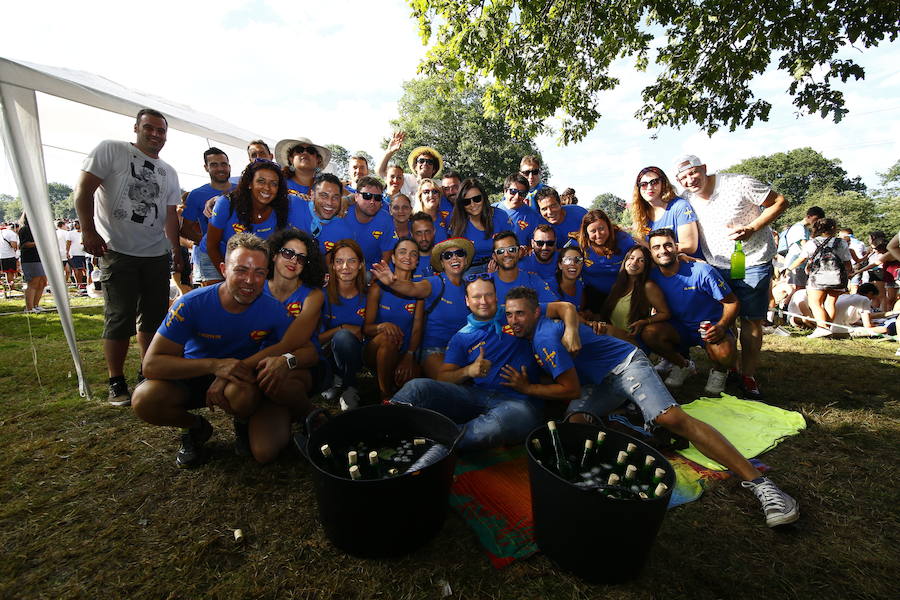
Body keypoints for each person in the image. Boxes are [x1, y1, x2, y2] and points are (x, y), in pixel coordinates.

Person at [502, 286, 800, 528]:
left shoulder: (544, 337)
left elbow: (570, 389)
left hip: (626, 365)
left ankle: (764, 486)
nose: (514, 320)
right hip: (600, 381)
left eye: (520, 315)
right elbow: (564, 307)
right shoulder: (533, 317)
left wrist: (527, 388)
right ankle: (619, 466)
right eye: (510, 314)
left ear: (535, 312)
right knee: (575, 427)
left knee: (673, 418)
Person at [131, 233, 313, 467]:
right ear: (223, 268)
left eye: (259, 272)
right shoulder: (190, 303)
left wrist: (284, 360)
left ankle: (243, 421)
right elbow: (151, 365)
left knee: (244, 396)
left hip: (237, 380)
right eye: (241, 270)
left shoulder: (273, 309)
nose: (250, 280)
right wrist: (215, 365)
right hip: (190, 376)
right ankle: (194, 428)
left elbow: (306, 350)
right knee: (144, 399)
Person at [389, 276, 581, 451]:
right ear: (467, 301)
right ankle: (384, 423)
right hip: (476, 396)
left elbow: (563, 306)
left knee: (490, 428)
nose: (483, 301)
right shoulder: (462, 337)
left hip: (520, 401)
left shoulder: (516, 313)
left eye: (488, 295)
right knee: (418, 387)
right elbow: (443, 377)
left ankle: (432, 446)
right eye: (477, 296)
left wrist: (571, 331)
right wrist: (468, 371)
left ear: (497, 297)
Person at [74, 108, 184, 406]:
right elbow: (83, 191)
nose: (155, 134)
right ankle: (115, 380)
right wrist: (88, 230)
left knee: (153, 317)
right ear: (136, 127)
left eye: (161, 130)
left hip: (156, 254)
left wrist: (175, 249)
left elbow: (171, 215)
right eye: (149, 128)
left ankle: (146, 370)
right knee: (119, 317)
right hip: (116, 250)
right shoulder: (112, 150)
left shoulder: (169, 171)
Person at [674, 154, 787, 399]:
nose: (689, 180)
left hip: (753, 260)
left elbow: (779, 201)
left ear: (704, 168)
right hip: (715, 264)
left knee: (751, 319)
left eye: (692, 172)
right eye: (682, 177)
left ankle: (748, 375)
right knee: (725, 318)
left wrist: (753, 228)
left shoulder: (739, 183)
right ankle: (730, 367)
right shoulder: (686, 198)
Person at [647, 228, 740, 395]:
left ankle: (720, 371)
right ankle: (683, 365)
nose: (663, 250)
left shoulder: (701, 271)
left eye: (668, 245)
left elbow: (732, 302)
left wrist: (722, 326)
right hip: (678, 327)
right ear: (651, 252)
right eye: (656, 247)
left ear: (676, 247)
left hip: (709, 326)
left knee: (725, 353)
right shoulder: (651, 276)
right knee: (649, 333)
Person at [370, 238, 474, 379]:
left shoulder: (472, 288)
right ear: (442, 263)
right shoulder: (435, 283)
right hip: (436, 351)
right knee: (450, 381)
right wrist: (393, 282)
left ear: (466, 260)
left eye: (459, 253)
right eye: (448, 256)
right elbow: (413, 288)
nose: (454, 258)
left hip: (465, 349)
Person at [363, 238, 424, 401]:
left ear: (417, 262)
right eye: (402, 252)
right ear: (394, 258)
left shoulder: (418, 290)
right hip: (375, 349)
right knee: (387, 337)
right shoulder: (378, 288)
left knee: (412, 380)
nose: (408, 257)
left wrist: (409, 356)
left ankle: (396, 393)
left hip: (403, 351)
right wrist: (382, 326)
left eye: (413, 254)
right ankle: (385, 395)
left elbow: (418, 327)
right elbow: (366, 328)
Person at [594, 245, 680, 358]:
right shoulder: (618, 285)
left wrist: (645, 322)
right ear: (626, 260)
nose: (634, 263)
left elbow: (665, 313)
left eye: (641, 260)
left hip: (632, 341)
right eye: (632, 258)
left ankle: (681, 363)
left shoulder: (648, 287)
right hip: (614, 337)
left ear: (646, 266)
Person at [206, 159, 291, 271]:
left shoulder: (281, 209)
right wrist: (227, 275)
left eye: (274, 184)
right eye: (261, 181)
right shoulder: (226, 204)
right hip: (215, 258)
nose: (267, 188)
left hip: (251, 266)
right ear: (250, 183)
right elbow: (212, 245)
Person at [320, 240, 369, 411]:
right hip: (330, 352)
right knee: (341, 337)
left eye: (352, 261)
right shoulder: (321, 295)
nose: (345, 267)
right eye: (339, 261)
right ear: (332, 265)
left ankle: (350, 388)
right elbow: (314, 339)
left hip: (362, 353)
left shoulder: (371, 293)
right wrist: (343, 328)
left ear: (361, 264)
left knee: (345, 340)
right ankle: (336, 376)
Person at [786, 218, 852, 338]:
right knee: (830, 303)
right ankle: (827, 329)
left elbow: (802, 258)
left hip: (818, 277)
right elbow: (847, 261)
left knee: (815, 302)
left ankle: (822, 328)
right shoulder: (841, 242)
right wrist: (849, 273)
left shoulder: (812, 242)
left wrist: (789, 269)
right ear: (833, 228)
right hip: (837, 277)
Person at [181, 147, 235, 286]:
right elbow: (185, 229)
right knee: (215, 299)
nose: (220, 168)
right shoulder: (196, 195)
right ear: (206, 167)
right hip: (209, 257)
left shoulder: (241, 190)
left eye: (223, 164)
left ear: (229, 166)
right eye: (214, 165)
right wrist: (208, 242)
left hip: (238, 253)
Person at [447, 178, 514, 273]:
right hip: (469, 268)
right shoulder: (457, 222)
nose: (473, 204)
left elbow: (511, 246)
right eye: (466, 202)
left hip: (501, 264)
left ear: (483, 198)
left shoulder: (500, 216)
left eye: (476, 199)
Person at [630, 166, 699, 256]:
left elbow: (689, 246)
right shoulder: (642, 216)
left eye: (654, 182)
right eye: (643, 184)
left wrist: (649, 246)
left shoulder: (680, 206)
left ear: (663, 183)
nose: (649, 187)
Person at [576, 209, 636, 312]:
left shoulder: (624, 241)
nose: (598, 235)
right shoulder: (580, 245)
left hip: (622, 294)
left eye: (601, 228)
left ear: (609, 226)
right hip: (592, 295)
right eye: (593, 231)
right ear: (586, 232)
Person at [288, 173, 354, 256]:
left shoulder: (344, 233)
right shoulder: (292, 204)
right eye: (324, 195)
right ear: (312, 195)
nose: (329, 202)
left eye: (335, 197)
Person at [490, 231, 558, 306]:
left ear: (519, 252)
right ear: (494, 257)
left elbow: (558, 307)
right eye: (500, 251)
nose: (506, 254)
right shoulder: (485, 282)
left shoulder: (533, 280)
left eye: (512, 249)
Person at [342, 176, 395, 269]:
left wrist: (374, 281)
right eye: (367, 196)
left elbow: (387, 254)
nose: (372, 201)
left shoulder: (385, 219)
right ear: (356, 197)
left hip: (371, 271)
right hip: (343, 268)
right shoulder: (342, 213)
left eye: (378, 198)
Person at [376, 131, 441, 197]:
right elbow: (380, 171)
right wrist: (389, 151)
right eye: (421, 161)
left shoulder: (439, 185)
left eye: (429, 162)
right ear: (415, 166)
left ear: (434, 169)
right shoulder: (405, 179)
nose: (425, 163)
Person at [782, 206, 825, 291]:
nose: (816, 222)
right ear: (809, 216)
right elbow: (805, 245)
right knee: (797, 290)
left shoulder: (805, 229)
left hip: (800, 264)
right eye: (816, 219)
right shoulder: (799, 228)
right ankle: (786, 305)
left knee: (799, 289)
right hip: (795, 263)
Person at [493, 173, 543, 244]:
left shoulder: (533, 216)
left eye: (522, 193)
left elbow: (536, 244)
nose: (517, 196)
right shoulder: (491, 210)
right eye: (513, 191)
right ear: (505, 191)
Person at [17, 214, 47, 313]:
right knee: (33, 283)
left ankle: (36, 305)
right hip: (31, 259)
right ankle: (29, 308)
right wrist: (40, 242)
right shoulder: (25, 229)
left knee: (42, 282)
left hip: (40, 258)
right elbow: (25, 244)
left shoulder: (38, 228)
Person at [409, 211, 443, 280]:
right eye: (419, 233)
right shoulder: (406, 261)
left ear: (434, 232)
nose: (423, 238)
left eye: (427, 232)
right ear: (412, 234)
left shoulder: (445, 258)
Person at [68, 220, 88, 295]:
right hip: (75, 253)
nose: (76, 225)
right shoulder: (70, 233)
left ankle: (87, 283)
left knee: (86, 270)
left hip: (85, 253)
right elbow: (68, 243)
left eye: (78, 224)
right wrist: (68, 252)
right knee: (77, 270)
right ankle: (79, 284)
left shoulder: (85, 232)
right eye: (75, 224)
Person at [0, 221, 19, 297]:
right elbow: (14, 245)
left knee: (4, 272)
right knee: (10, 272)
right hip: (9, 255)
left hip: (1, 255)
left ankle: (6, 288)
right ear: (16, 228)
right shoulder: (12, 234)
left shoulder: (2, 232)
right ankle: (12, 288)